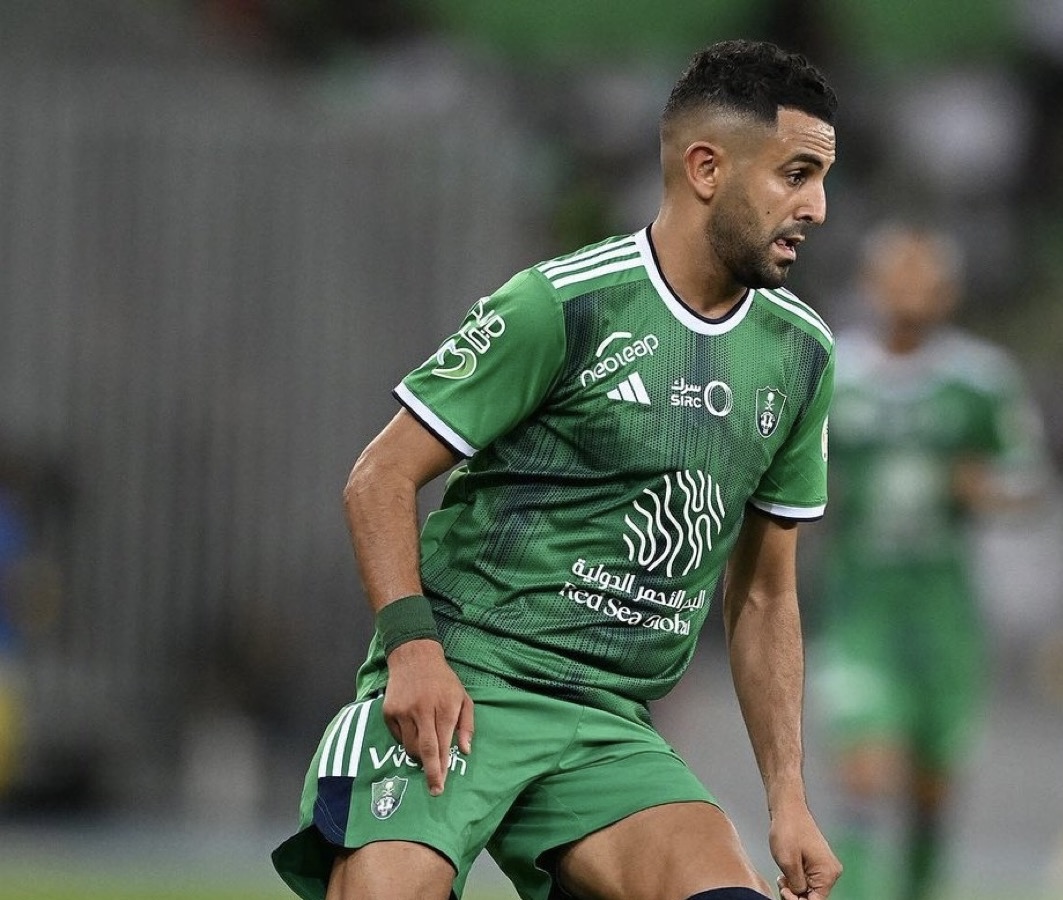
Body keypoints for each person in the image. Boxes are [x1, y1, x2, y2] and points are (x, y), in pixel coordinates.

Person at [273, 39, 842, 900]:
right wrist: (413, 652)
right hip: (465, 684)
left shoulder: (800, 353)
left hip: (606, 727)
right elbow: (378, 477)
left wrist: (788, 798)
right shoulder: (565, 306)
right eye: (795, 175)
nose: (818, 207)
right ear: (705, 168)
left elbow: (763, 595)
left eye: (822, 178)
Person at [809, 222, 1051, 900]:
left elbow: (1029, 479)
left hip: (943, 610)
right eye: (898, 276)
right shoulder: (833, 372)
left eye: (925, 278)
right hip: (860, 605)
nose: (910, 291)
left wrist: (985, 489)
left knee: (930, 788)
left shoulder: (979, 380)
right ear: (870, 285)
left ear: (948, 292)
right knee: (862, 773)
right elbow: (788, 473)